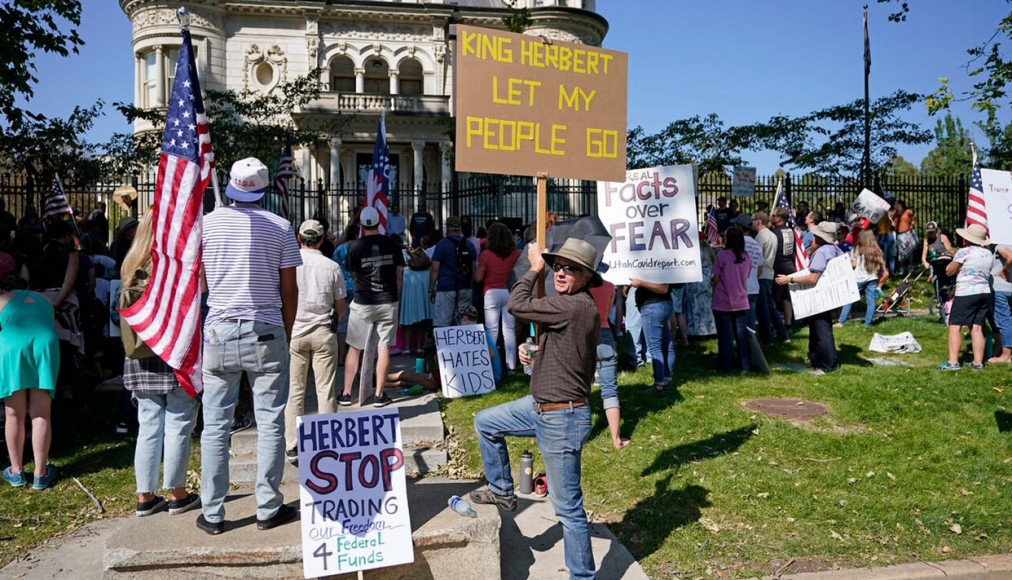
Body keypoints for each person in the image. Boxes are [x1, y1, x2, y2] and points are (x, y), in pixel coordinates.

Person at [470, 238, 601, 580]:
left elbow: (516, 304)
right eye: (557, 265)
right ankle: (502, 492)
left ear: (587, 277)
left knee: (568, 509)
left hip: (562, 416)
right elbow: (568, 355)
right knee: (485, 421)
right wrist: (534, 351)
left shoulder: (574, 306)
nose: (560, 272)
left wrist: (534, 268)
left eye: (570, 269)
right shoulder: (569, 305)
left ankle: (582, 576)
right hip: (540, 406)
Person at [198, 157, 302, 535]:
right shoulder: (280, 227)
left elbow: (201, 284)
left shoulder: (207, 225)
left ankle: (212, 512)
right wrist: (287, 333)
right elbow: (289, 289)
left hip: (219, 330)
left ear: (230, 186)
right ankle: (267, 506)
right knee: (271, 422)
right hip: (266, 328)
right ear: (263, 188)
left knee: (215, 425)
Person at [119, 213, 201, 516]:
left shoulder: (131, 265)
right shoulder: (171, 264)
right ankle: (178, 493)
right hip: (173, 353)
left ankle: (145, 496)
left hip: (140, 357)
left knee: (149, 425)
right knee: (179, 422)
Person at [284, 219, 347, 464]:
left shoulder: (290, 264)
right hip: (323, 330)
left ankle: (293, 444)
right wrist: (333, 320)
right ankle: (327, 440)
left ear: (299, 238)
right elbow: (340, 305)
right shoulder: (331, 266)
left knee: (295, 390)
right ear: (322, 240)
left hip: (295, 331)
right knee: (325, 390)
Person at [339, 206, 405, 408]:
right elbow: (399, 273)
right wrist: (397, 297)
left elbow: (353, 274)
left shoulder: (355, 247)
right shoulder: (392, 244)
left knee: (354, 347)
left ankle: (347, 393)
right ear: (379, 222)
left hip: (363, 301)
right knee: (384, 346)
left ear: (361, 224)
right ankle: (379, 394)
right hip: (387, 300)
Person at [1, 275, 60, 490]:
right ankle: (40, 473)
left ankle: (16, 472)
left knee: (13, 413)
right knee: (41, 413)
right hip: (44, 345)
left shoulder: (2, 300)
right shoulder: (44, 298)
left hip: (11, 347)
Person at [776, 222, 844, 373]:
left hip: (820, 297)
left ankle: (828, 365)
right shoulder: (835, 249)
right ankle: (816, 358)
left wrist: (790, 280)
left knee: (822, 329)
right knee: (816, 326)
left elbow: (813, 278)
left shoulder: (821, 252)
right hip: (831, 296)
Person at [939, 224, 993, 370]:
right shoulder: (988, 254)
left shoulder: (964, 252)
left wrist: (953, 262)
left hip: (966, 292)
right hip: (984, 292)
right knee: (976, 328)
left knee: (955, 326)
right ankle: (977, 363)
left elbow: (949, 271)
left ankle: (953, 362)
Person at [475, 223, 521, 374]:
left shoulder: (486, 254)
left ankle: (492, 367)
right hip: (510, 291)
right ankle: (511, 367)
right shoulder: (516, 254)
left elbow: (479, 277)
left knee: (492, 331)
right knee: (509, 331)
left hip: (491, 292)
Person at [590, 278, 631, 450]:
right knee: (610, 390)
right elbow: (607, 310)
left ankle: (580, 435)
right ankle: (616, 439)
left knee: (580, 388)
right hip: (605, 333)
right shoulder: (608, 286)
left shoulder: (580, 286)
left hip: (584, 334)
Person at [712, 227, 752, 373]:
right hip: (741, 300)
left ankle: (725, 366)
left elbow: (715, 277)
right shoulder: (746, 256)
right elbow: (747, 275)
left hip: (723, 301)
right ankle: (745, 365)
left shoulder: (722, 255)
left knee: (724, 336)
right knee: (741, 336)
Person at [429, 216, 478, 328]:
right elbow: (474, 269)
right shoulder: (470, 245)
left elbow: (435, 269)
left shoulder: (441, 244)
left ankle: (444, 346)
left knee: (443, 323)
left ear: (448, 228)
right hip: (465, 287)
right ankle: (464, 345)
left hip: (446, 287)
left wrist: (430, 289)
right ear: (460, 228)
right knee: (465, 323)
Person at [630, 276, 674, 393]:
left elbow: (663, 288)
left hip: (652, 308)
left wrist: (641, 283)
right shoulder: (662, 265)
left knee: (655, 348)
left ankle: (659, 385)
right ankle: (665, 380)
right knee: (666, 344)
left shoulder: (657, 266)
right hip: (663, 305)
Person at [837, 229, 889, 327]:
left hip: (858, 278)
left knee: (849, 299)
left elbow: (853, 264)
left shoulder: (856, 249)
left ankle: (841, 322)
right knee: (870, 301)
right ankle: (867, 323)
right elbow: (882, 266)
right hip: (873, 278)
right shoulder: (877, 250)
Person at [752, 211, 790, 345]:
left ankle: (766, 338)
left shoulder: (760, 237)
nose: (751, 224)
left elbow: (756, 256)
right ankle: (783, 334)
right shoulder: (772, 235)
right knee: (769, 307)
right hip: (769, 272)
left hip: (761, 273)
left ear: (758, 221)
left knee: (763, 308)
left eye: (752, 221)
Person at [770, 208, 797, 327]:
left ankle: (776, 326)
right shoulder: (791, 231)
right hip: (790, 267)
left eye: (773, 215)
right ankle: (788, 324)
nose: (771, 217)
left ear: (779, 218)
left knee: (775, 299)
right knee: (787, 298)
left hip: (777, 268)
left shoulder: (774, 233)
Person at [990, 242, 1012, 363]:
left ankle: (1006, 355)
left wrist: (1004, 270)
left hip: (1001, 288)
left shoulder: (1001, 244)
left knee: (1003, 321)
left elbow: (1011, 257)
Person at [893, 200, 917, 274]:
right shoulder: (895, 214)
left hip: (907, 233)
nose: (894, 205)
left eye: (896, 204)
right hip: (899, 234)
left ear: (900, 204)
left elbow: (913, 220)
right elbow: (893, 223)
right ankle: (902, 268)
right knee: (901, 251)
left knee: (909, 250)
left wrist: (911, 226)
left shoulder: (907, 211)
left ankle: (910, 266)